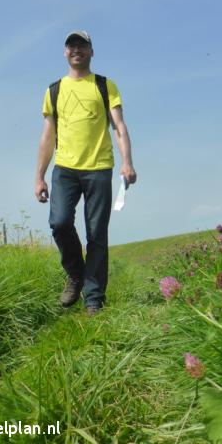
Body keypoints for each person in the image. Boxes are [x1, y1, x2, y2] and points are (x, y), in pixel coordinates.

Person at [34, 30, 136, 316]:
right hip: (65, 168)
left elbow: (120, 127)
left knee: (96, 234)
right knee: (60, 222)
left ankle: (94, 299)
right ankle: (76, 274)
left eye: (82, 45)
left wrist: (127, 162)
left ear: (92, 51)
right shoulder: (53, 90)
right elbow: (47, 136)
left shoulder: (105, 85)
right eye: (71, 45)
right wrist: (39, 176)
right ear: (65, 52)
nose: (76, 49)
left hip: (100, 168)